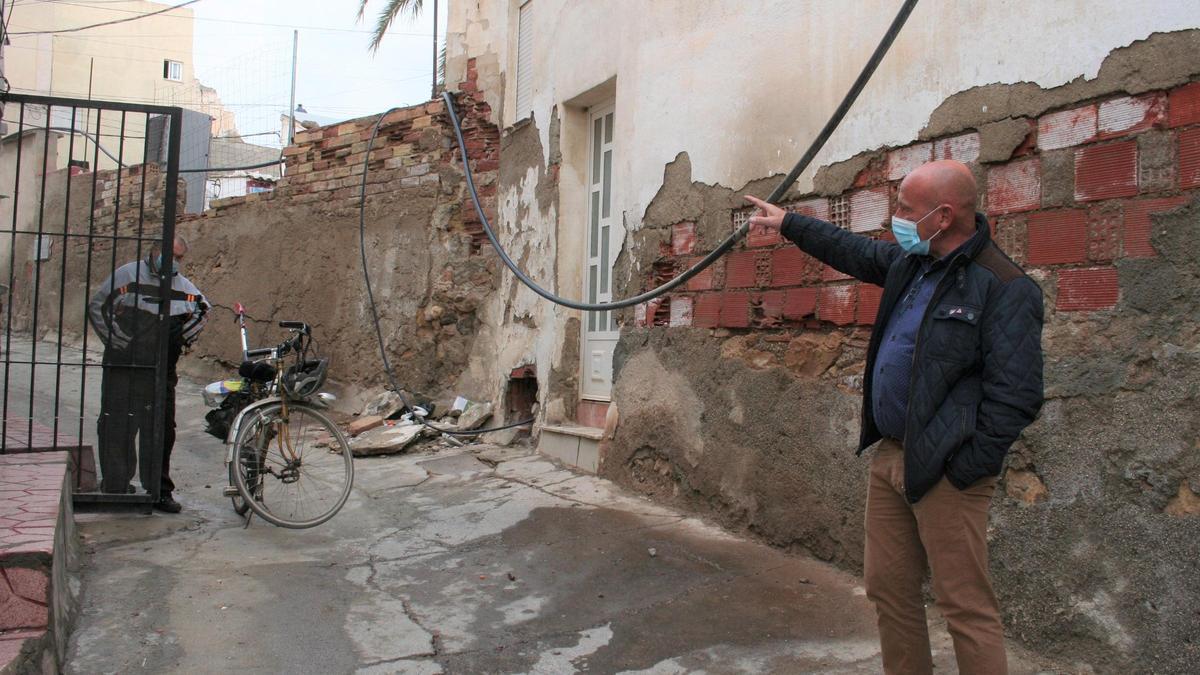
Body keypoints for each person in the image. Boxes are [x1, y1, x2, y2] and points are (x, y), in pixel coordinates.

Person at [746, 159, 1044, 674]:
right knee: (889, 591)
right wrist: (789, 223)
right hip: (891, 455)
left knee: (965, 607)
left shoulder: (1003, 286)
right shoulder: (913, 264)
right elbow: (855, 251)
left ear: (944, 215)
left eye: (906, 209)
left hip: (947, 468)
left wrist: (966, 465)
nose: (896, 219)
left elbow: (1017, 395)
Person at [87, 235, 208, 513]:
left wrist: (181, 341)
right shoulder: (127, 275)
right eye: (171, 255)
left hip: (161, 369)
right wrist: (119, 341)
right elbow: (98, 306)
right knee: (117, 422)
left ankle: (159, 491)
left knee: (162, 428)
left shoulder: (184, 287)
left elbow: (203, 310)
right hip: (124, 365)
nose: (174, 262)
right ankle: (116, 485)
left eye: (179, 258)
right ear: (154, 251)